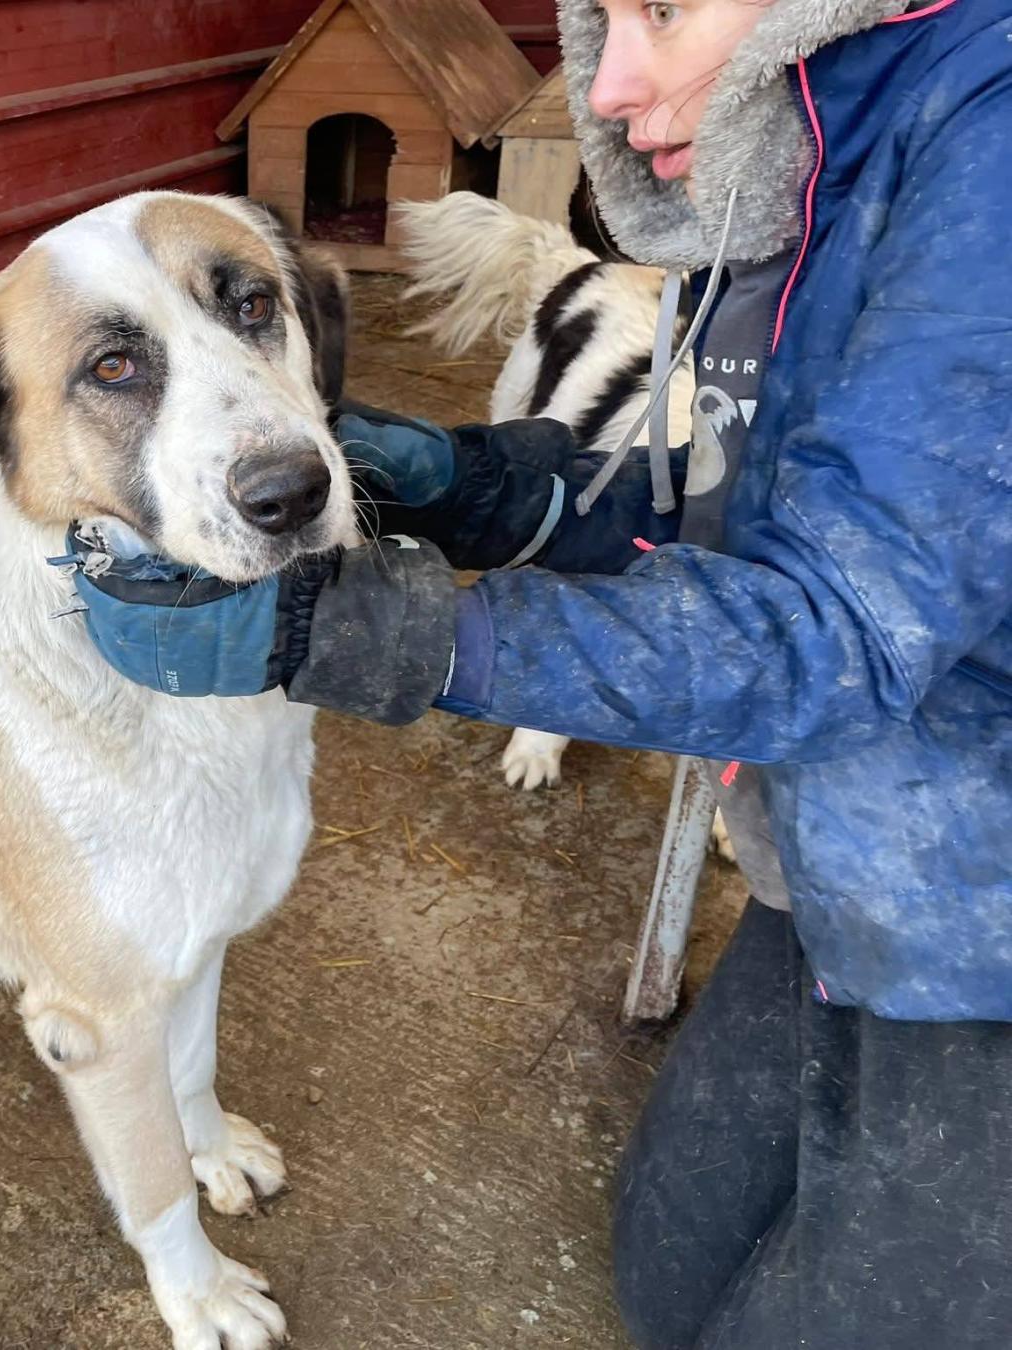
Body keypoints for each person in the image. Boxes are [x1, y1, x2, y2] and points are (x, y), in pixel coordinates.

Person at [69, 0, 1012, 1345]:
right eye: (599, 12)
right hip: (836, 855)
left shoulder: (986, 149)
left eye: (663, 7)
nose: (605, 86)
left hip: (979, 906)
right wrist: (477, 486)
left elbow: (841, 629)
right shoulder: (797, 164)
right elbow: (728, 501)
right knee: (670, 1276)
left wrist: (364, 630)